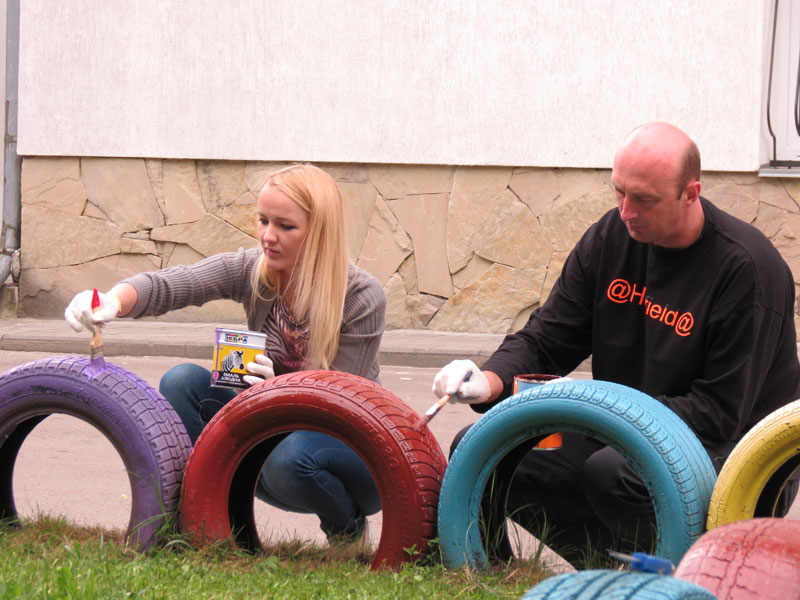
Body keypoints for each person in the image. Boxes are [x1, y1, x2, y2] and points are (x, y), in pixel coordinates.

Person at [432, 122, 800, 567]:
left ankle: (685, 578)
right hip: (622, 432)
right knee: (483, 448)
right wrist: (488, 380)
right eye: (619, 192)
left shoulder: (747, 270)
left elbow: (718, 415)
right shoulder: (612, 237)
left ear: (690, 194)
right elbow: (549, 338)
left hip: (734, 459)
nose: (626, 212)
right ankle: (603, 571)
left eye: (644, 199)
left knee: (614, 474)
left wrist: (590, 405)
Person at [65, 163, 387, 543]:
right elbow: (174, 284)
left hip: (345, 451)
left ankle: (347, 531)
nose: (268, 236)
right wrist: (111, 302)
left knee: (291, 457)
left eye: (285, 226)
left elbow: (339, 407)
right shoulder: (254, 268)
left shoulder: (362, 296)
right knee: (182, 381)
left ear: (319, 232)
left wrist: (276, 390)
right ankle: (209, 521)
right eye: (263, 220)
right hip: (272, 433)